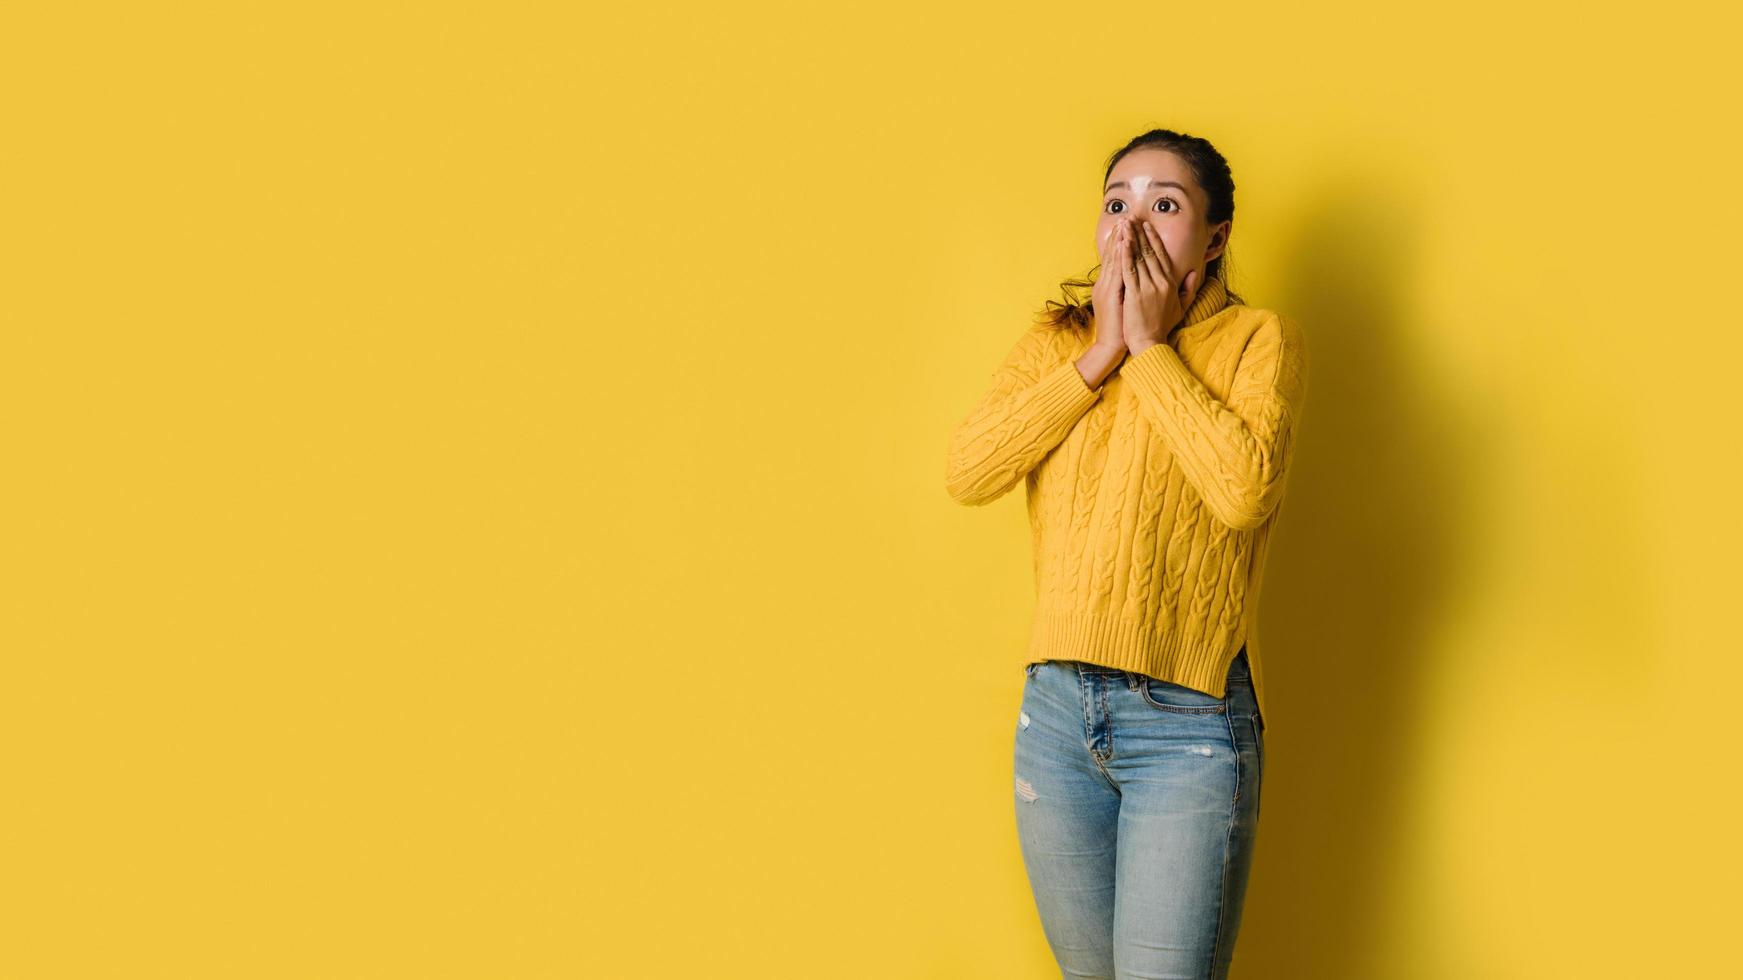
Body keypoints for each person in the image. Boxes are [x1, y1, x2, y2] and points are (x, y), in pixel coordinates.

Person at [944, 128, 1309, 979]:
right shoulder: (1056, 340)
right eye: (1116, 203)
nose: (1132, 224)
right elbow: (968, 470)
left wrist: (1147, 349)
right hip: (1055, 721)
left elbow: (1242, 492)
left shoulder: (1259, 341)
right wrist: (1100, 351)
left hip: (1185, 723)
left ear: (1214, 237)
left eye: (1164, 203)